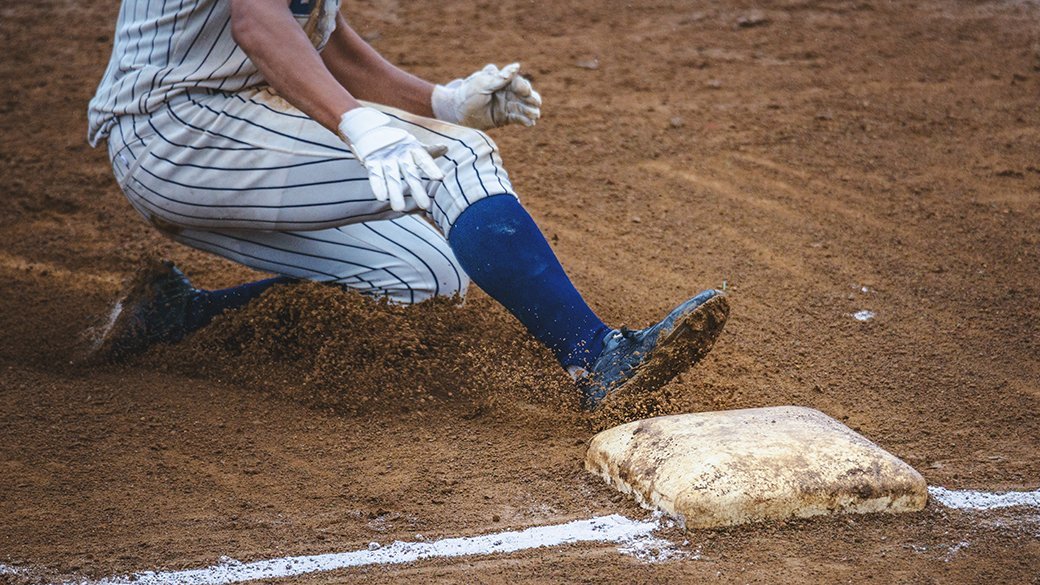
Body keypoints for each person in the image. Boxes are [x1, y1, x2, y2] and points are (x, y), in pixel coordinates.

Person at [87, 0, 730, 410]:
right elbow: (258, 23)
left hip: (210, 126)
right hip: (175, 128)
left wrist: (444, 102)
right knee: (457, 157)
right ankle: (596, 356)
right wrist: (356, 124)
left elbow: (324, 41)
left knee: (427, 276)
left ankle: (178, 316)